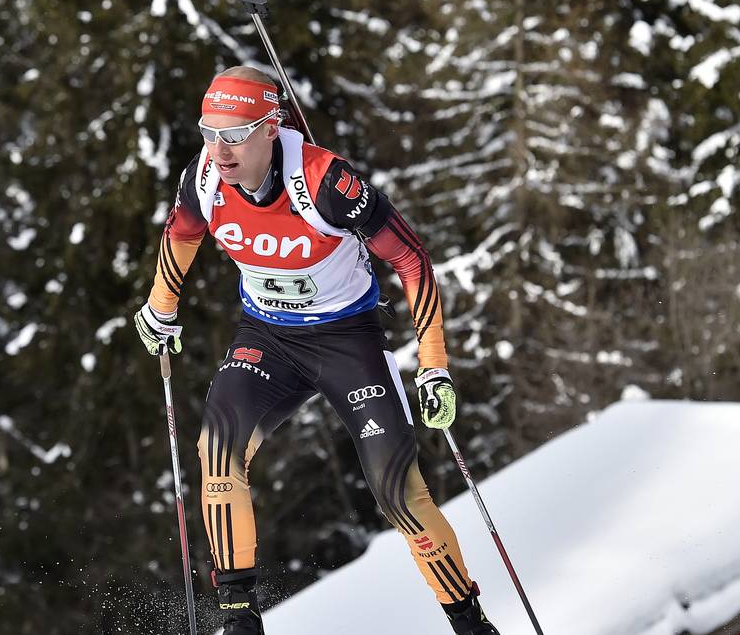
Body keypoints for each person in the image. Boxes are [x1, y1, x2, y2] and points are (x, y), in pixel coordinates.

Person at [133, 66, 499, 635]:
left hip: (346, 340)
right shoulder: (203, 178)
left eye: (234, 135)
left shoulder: (326, 183)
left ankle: (470, 622)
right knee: (217, 450)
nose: (219, 151)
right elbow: (181, 232)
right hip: (267, 338)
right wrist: (161, 305)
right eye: (209, 132)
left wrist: (433, 365)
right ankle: (238, 619)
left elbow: (411, 259)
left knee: (398, 492)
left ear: (270, 129)